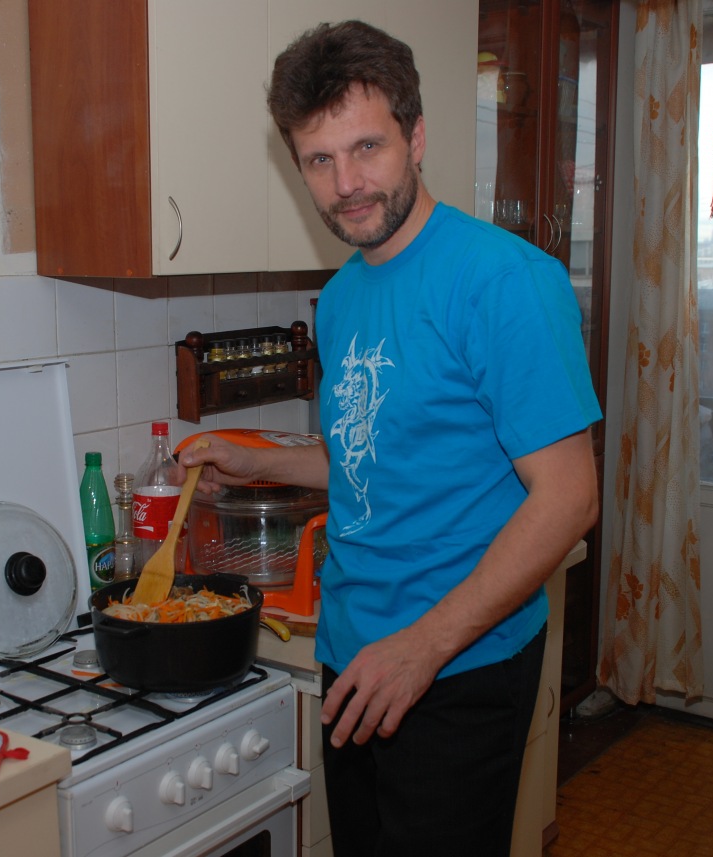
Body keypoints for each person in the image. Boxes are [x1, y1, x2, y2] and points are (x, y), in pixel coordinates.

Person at [178, 20, 601, 857]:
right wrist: (252, 460)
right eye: (318, 160)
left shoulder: (505, 282)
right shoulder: (341, 298)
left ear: (417, 137)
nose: (346, 184)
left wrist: (423, 648)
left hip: (459, 661)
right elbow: (365, 457)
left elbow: (569, 497)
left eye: (366, 148)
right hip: (355, 656)